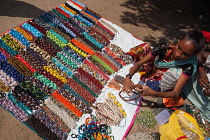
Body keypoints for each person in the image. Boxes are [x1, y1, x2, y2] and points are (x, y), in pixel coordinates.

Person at [122, 30, 206, 98]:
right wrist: (128, 78)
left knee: (160, 82)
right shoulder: (163, 48)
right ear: (179, 40)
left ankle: (154, 77)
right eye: (179, 47)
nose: (178, 54)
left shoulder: (188, 67)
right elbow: (139, 63)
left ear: (193, 55)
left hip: (164, 74)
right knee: (144, 48)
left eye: (185, 54)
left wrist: (153, 93)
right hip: (156, 65)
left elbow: (175, 92)